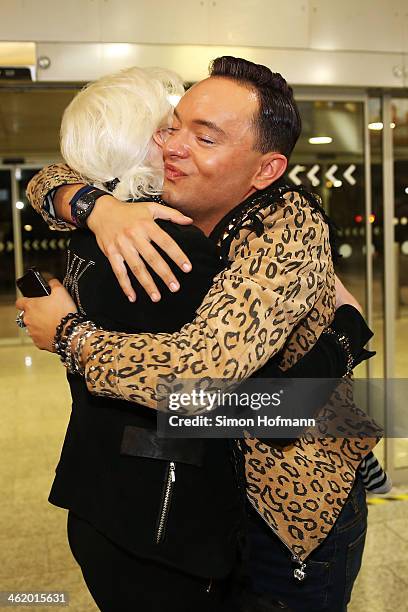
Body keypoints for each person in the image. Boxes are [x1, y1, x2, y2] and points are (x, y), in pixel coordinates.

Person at [20, 56, 380, 611]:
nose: (171, 146)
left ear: (265, 170)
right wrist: (96, 206)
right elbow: (52, 177)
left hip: (289, 501)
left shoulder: (287, 227)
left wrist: (68, 334)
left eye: (204, 137)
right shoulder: (156, 204)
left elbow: (199, 379)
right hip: (214, 488)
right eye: (171, 125)